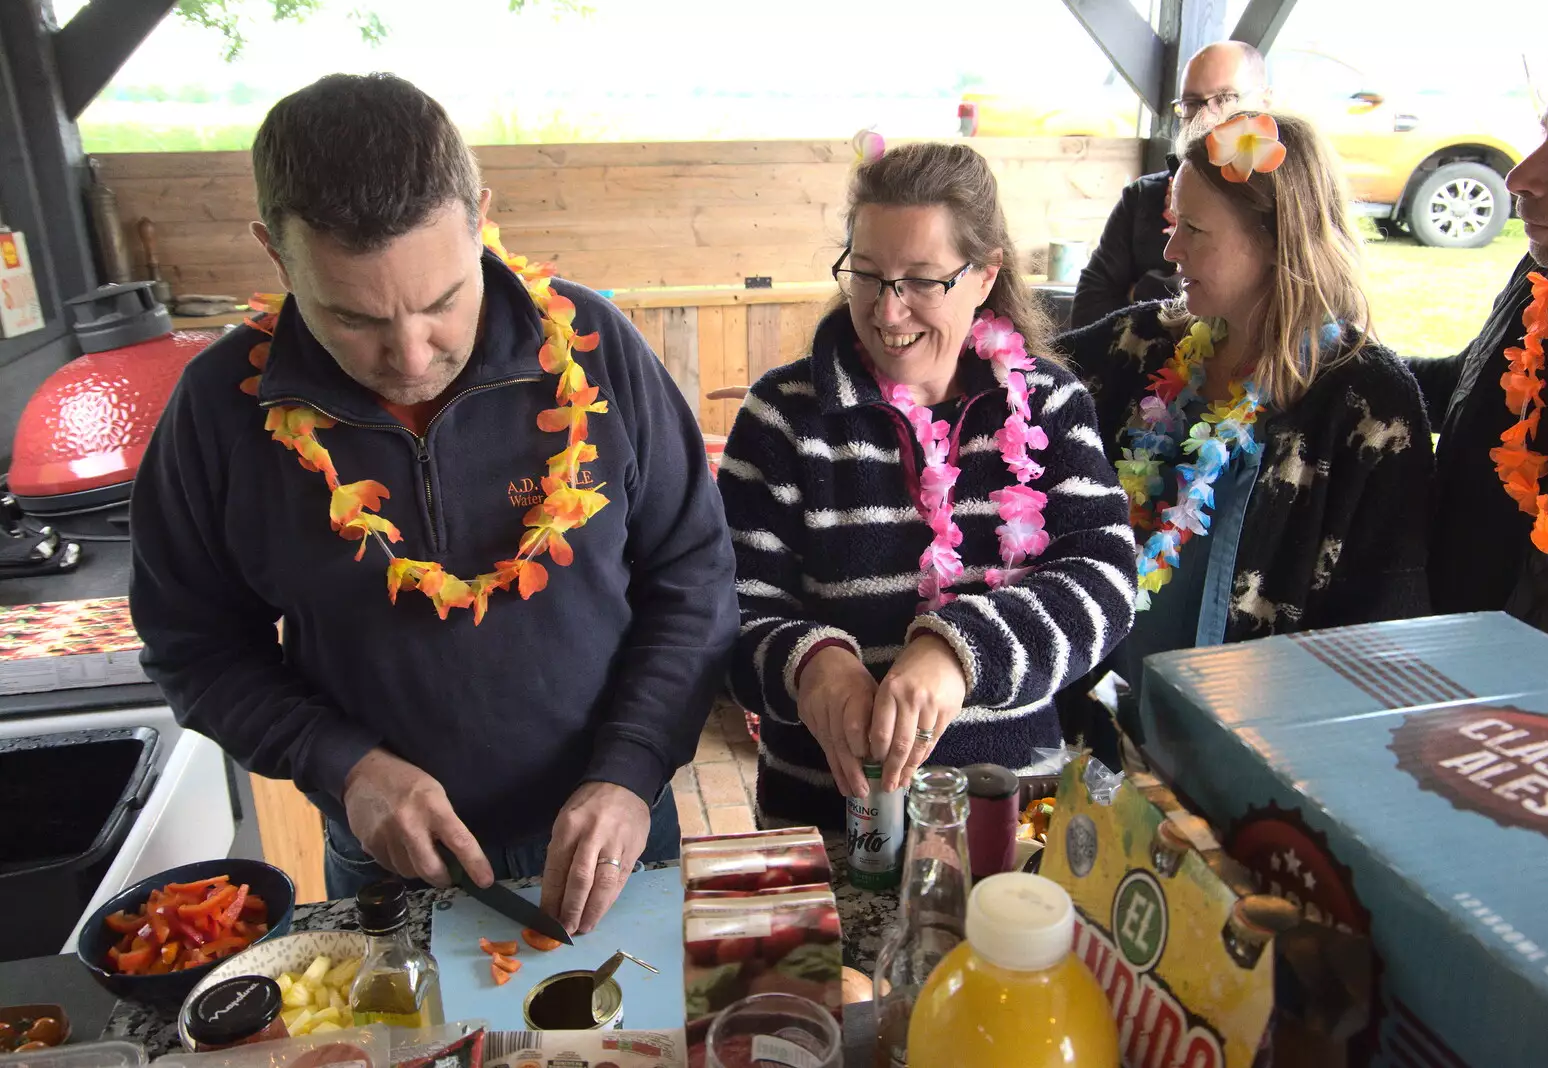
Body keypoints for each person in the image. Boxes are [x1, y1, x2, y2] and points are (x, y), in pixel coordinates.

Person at [129, 74, 738, 930]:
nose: (411, 355)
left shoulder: (594, 350)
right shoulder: (220, 410)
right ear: (276, 254)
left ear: (480, 217)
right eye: (353, 318)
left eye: (443, 300)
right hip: (385, 856)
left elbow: (695, 576)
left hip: (618, 829)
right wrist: (342, 764)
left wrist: (634, 765)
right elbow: (193, 646)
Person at [718, 143, 1138, 828]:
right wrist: (811, 664)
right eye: (868, 275)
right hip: (822, 821)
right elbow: (727, 606)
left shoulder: (1051, 404)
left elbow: (1106, 582)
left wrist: (959, 649)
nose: (888, 312)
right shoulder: (783, 417)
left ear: (984, 274)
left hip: (1013, 816)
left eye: (921, 280)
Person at [1058, 112, 1433, 737]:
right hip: (1099, 745)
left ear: (1277, 241)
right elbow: (1014, 373)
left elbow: (1382, 641)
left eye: (1196, 231)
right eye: (1173, 224)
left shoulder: (1369, 406)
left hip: (1262, 764)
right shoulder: (1142, 343)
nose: (1170, 251)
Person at [1409, 17, 1548, 654]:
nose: (1519, 176)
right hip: (1448, 652)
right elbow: (1474, 393)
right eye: (1547, 137)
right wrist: (1332, 364)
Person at [1069, 41, 1271, 330]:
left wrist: (1144, 292)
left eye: (1224, 98)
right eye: (1191, 104)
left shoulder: (1284, 201)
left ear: (1264, 101)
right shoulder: (1142, 198)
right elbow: (1088, 315)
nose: (1206, 117)